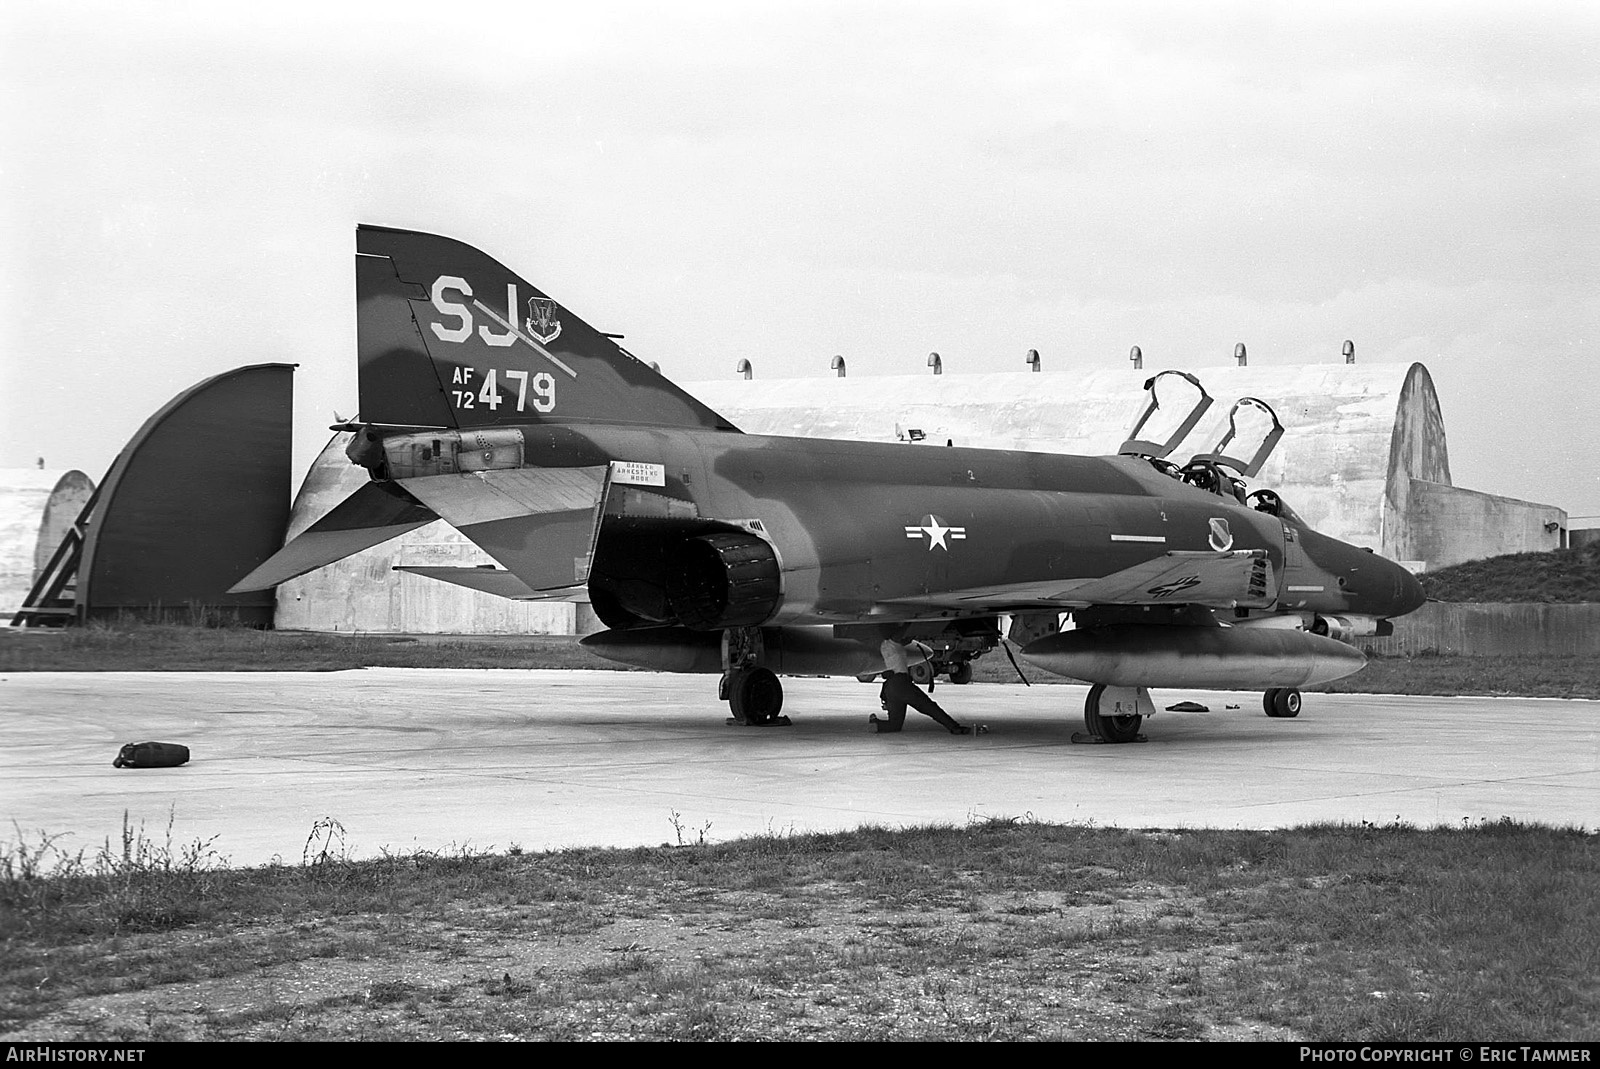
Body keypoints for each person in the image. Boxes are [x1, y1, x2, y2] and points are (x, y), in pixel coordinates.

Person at [872, 639, 971, 735]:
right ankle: (954, 727)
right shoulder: (893, 644)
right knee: (929, 706)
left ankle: (875, 724)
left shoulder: (886, 645)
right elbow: (904, 635)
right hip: (902, 683)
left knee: (894, 725)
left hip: (891, 686)